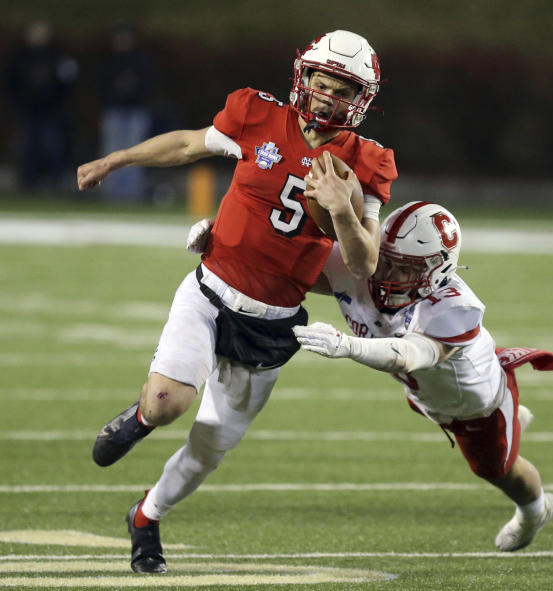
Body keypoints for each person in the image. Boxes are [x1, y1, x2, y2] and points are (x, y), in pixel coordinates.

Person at [77, 30, 397, 574]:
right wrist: (120, 158)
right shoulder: (255, 114)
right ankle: (140, 416)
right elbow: (186, 144)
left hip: (274, 322)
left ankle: (145, 517)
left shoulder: (367, 161)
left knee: (208, 449)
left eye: (343, 90)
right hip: (211, 290)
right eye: (322, 82)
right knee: (166, 404)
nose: (328, 97)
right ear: (304, 78)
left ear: (360, 100)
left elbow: (365, 263)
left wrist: (342, 211)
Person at [293, 201, 553, 552]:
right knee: (429, 402)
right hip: (430, 395)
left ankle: (534, 511)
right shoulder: (364, 263)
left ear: (436, 270)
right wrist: (222, 246)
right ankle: (513, 423)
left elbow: (410, 355)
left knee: (495, 470)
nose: (385, 271)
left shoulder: (455, 308)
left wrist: (346, 345)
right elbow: (291, 264)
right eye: (383, 257)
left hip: (476, 406)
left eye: (402, 267)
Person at [5, 20, 78, 191]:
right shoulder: (20, 56)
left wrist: (61, 102)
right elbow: (11, 82)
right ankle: (27, 182)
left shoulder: (56, 55)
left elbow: (68, 80)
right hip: (27, 110)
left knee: (52, 145)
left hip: (51, 110)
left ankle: (53, 181)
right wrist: (16, 103)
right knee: (25, 147)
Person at [98, 21, 158, 201]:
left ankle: (131, 193)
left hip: (136, 111)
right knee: (111, 152)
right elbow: (101, 85)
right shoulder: (109, 62)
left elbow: (150, 84)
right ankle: (110, 193)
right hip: (114, 111)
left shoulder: (141, 61)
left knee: (135, 153)